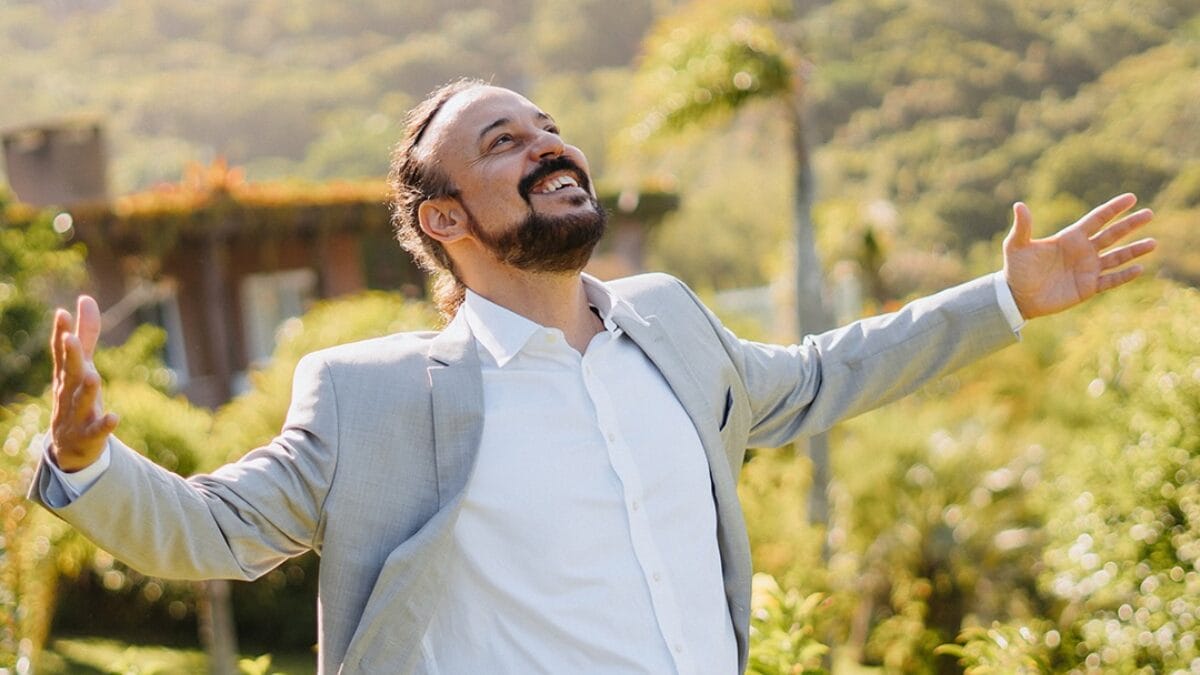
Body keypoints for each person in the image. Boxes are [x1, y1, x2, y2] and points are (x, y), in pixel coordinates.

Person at [30, 79, 1156, 674]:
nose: (549, 145)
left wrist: (1003, 297)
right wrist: (87, 458)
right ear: (446, 218)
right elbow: (211, 529)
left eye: (549, 127)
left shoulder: (669, 325)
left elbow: (822, 374)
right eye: (505, 144)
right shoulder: (375, 396)